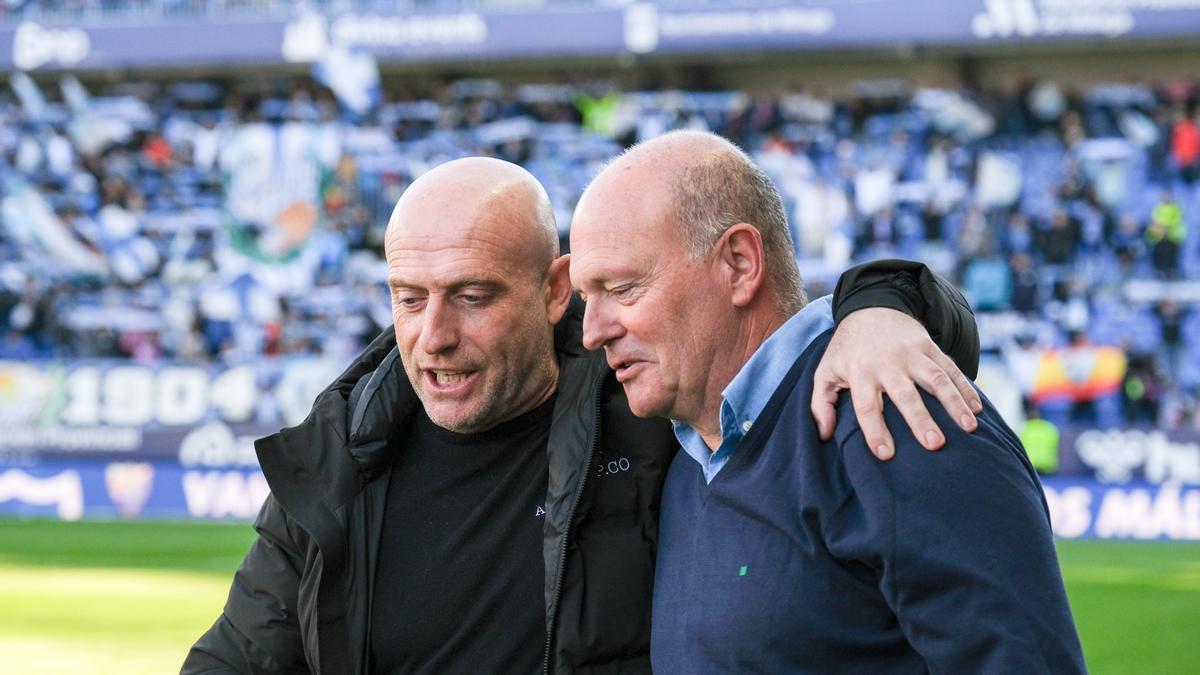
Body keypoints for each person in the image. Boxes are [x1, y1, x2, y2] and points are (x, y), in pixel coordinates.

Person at [184, 157, 980, 674]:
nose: (435, 337)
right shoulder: (336, 465)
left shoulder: (646, 397)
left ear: (555, 288)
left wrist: (887, 305)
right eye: (408, 299)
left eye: (473, 296)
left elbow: (772, 329)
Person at [569, 131, 1086, 673]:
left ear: (740, 264)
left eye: (623, 289)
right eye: (587, 298)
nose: (593, 331)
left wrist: (891, 301)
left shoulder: (896, 413)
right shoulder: (680, 457)